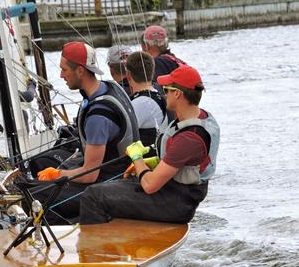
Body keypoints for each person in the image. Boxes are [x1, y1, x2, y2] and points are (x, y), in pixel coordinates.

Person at [79, 65, 220, 225]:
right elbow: (185, 163)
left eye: (166, 89)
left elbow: (150, 185)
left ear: (178, 93)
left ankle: (98, 248)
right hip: (175, 192)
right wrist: (151, 162)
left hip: (175, 203)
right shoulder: (202, 117)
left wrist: (137, 157)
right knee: (111, 186)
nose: (162, 92)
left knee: (93, 196)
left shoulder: (189, 138)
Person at [35, 41, 137, 224]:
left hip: (112, 185)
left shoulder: (98, 116)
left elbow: (90, 175)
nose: (61, 75)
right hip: (117, 176)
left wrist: (57, 175)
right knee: (43, 172)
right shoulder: (108, 87)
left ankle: (61, 241)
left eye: (64, 70)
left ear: (80, 71)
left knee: (37, 196)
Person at [125, 50, 166, 146]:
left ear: (128, 75)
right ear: (152, 72)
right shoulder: (156, 94)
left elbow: (123, 137)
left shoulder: (141, 103)